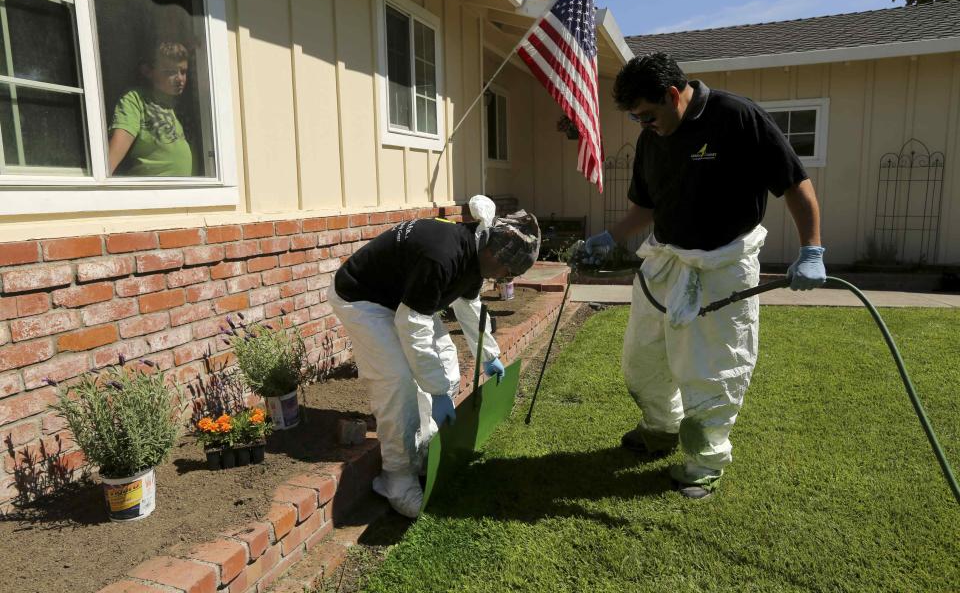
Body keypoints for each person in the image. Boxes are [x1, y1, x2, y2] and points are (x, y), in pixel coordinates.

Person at [585, 53, 826, 499]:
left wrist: (811, 249)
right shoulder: (652, 138)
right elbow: (646, 205)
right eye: (636, 117)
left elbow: (795, 183)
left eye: (648, 114)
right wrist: (609, 237)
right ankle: (660, 428)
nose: (643, 124)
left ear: (674, 95)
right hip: (665, 260)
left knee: (714, 369)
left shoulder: (737, 117)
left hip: (723, 265)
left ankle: (704, 460)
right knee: (643, 359)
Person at [330, 196, 541, 517]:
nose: (503, 278)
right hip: (363, 297)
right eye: (505, 271)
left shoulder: (473, 251)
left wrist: (488, 355)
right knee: (397, 381)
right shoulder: (443, 257)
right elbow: (411, 324)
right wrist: (438, 391)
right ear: (492, 253)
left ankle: (424, 444)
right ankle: (396, 478)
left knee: (444, 358)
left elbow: (468, 305)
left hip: (401, 296)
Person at [107, 41, 194, 177]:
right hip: (151, 193)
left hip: (181, 193)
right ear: (148, 71)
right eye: (170, 72)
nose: (179, 79)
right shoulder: (136, 99)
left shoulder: (176, 108)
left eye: (183, 71)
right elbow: (116, 148)